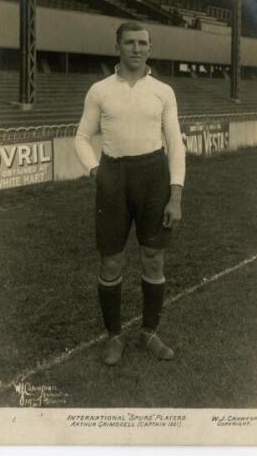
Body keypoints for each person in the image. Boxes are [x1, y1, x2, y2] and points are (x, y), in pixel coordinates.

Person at [74, 21, 185, 366]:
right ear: (117, 47)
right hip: (113, 177)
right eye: (130, 43)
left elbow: (176, 145)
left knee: (154, 258)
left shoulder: (163, 91)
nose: (137, 48)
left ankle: (149, 332)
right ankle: (114, 337)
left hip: (154, 176)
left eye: (143, 43)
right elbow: (81, 137)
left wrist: (176, 194)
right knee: (111, 260)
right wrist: (95, 170)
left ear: (150, 48)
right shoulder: (100, 90)